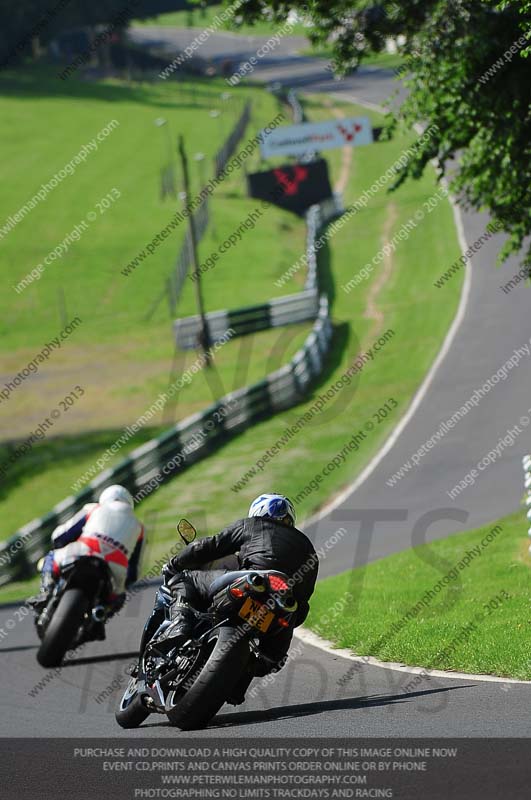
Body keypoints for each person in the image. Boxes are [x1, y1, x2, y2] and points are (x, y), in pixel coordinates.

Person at [136, 493, 318, 703]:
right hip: (281, 606)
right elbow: (303, 603)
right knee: (269, 658)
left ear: (258, 512)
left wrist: (175, 563)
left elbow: (207, 546)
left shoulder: (253, 524)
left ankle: (180, 625)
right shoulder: (309, 549)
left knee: (185, 578)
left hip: (252, 582)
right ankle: (239, 678)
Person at [30, 484, 144, 639]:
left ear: (104, 499)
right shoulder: (139, 527)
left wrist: (63, 545)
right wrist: (124, 585)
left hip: (84, 550)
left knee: (51, 557)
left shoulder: (94, 509)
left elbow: (60, 535)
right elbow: (134, 570)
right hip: (115, 567)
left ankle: (46, 591)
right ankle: (100, 618)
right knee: (118, 598)